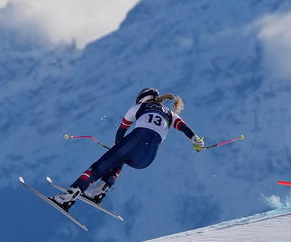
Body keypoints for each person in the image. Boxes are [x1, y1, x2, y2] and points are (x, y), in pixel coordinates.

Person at [52, 87, 204, 210]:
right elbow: (185, 129)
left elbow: (121, 131)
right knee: (120, 158)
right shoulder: (171, 114)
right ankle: (99, 191)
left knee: (99, 167)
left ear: (142, 98)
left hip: (136, 141)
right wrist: (196, 141)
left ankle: (67, 198)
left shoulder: (139, 107)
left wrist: (116, 147)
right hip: (147, 159)